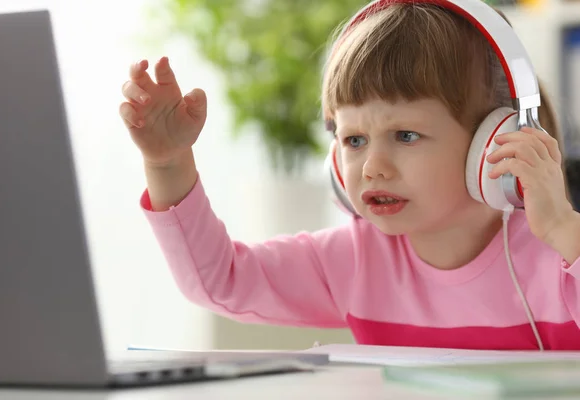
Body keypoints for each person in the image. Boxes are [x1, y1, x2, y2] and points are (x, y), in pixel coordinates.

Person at [118, 0, 580, 350]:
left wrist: (563, 227)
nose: (372, 167)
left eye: (405, 135)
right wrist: (168, 163)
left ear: (494, 143)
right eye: (353, 140)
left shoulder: (556, 254)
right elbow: (222, 282)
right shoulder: (354, 260)